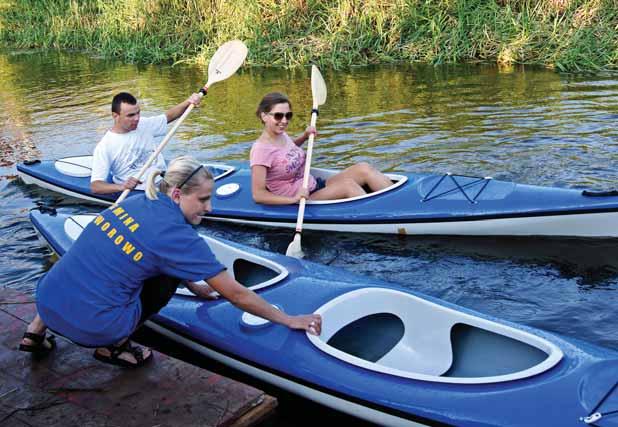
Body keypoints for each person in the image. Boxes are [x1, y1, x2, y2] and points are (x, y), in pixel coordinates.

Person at [20, 155, 322, 367]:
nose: (210, 207)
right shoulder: (178, 237)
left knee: (86, 258)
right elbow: (236, 293)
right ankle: (114, 347)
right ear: (177, 194)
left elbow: (164, 256)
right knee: (163, 280)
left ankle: (34, 332)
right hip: (96, 328)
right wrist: (288, 319)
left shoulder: (137, 200)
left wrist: (197, 286)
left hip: (46, 298)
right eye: (203, 199)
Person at [250, 92, 393, 205]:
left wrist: (304, 137)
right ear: (264, 116)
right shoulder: (260, 151)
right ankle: (381, 215)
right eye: (278, 116)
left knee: (363, 168)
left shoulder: (279, 134)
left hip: (313, 184)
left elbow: (285, 153)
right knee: (348, 186)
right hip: (302, 198)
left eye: (288, 115)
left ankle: (396, 203)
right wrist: (293, 199)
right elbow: (259, 195)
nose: (284, 121)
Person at [90, 91, 203, 195]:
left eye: (138, 113)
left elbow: (168, 116)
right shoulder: (105, 146)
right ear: (115, 116)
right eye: (131, 115)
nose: (137, 118)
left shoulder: (143, 124)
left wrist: (189, 102)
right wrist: (121, 186)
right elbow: (96, 186)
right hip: (139, 191)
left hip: (164, 181)